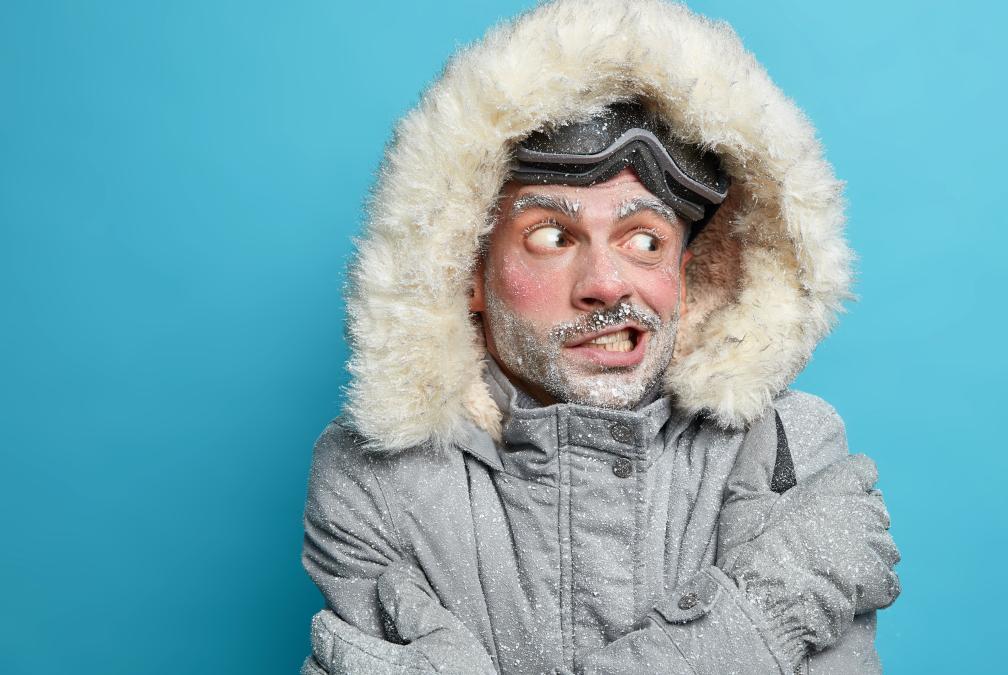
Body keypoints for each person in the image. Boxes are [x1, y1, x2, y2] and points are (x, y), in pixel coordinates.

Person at [300, 1, 901, 673]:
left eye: (645, 240)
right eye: (552, 236)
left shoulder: (784, 446)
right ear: (465, 270)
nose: (608, 283)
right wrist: (762, 615)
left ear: (687, 276)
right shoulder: (375, 480)